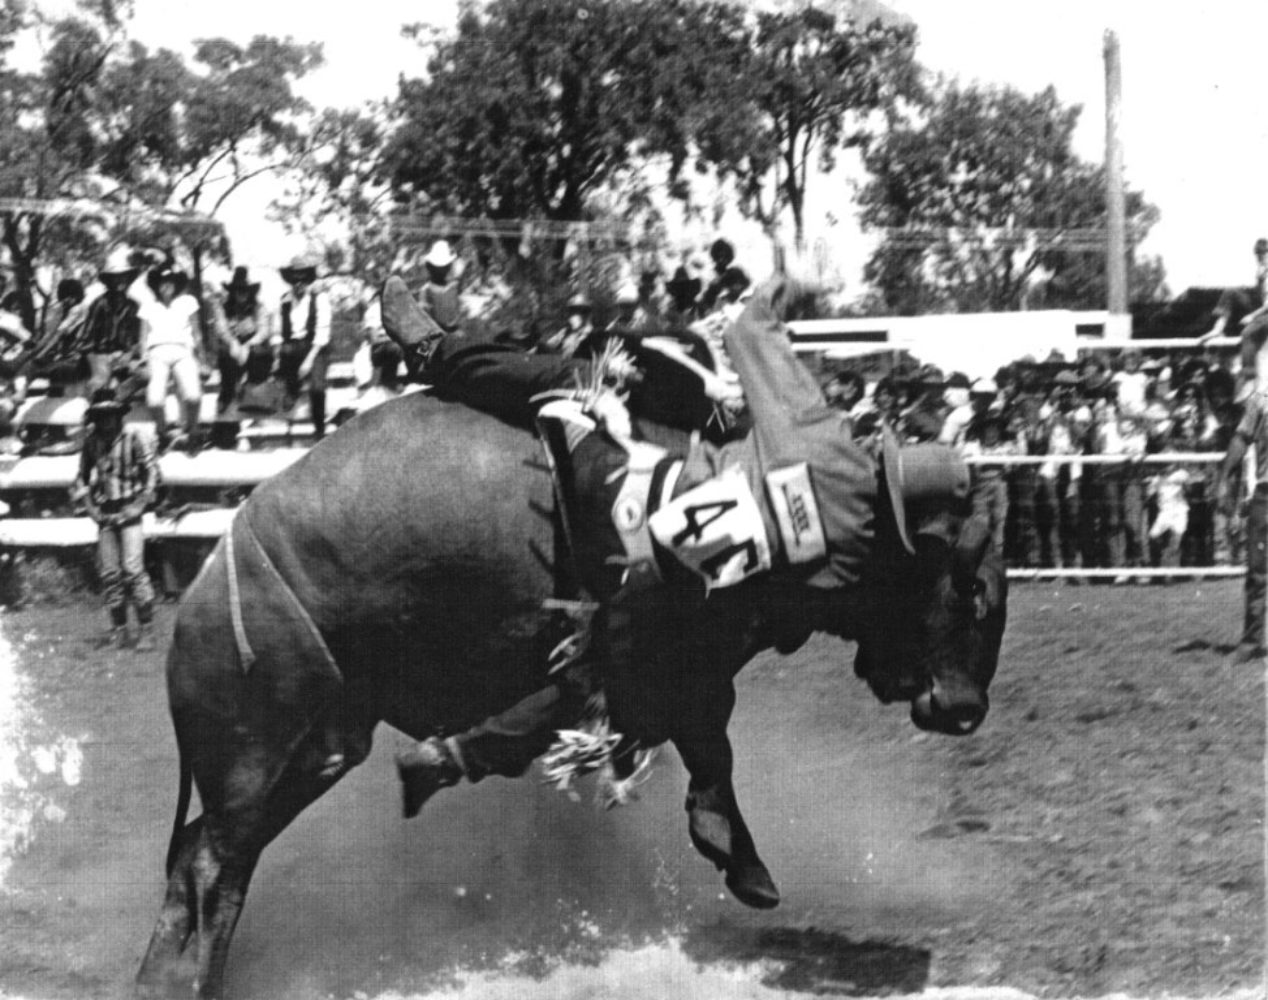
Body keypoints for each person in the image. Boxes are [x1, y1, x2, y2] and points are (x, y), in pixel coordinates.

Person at [390, 274, 971, 861]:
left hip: (627, 502)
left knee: (573, 379)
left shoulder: (823, 444)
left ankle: (435, 354)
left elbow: (751, 329)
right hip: (665, 595)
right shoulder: (850, 568)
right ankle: (457, 760)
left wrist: (781, 290)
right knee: (614, 688)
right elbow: (795, 627)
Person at [72, 388, 159, 650]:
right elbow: (81, 477)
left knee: (133, 570)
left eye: (109, 415)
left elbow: (152, 473)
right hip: (106, 512)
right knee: (110, 573)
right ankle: (119, 630)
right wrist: (90, 507)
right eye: (100, 415)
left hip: (130, 508)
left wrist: (140, 505)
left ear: (118, 415)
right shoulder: (91, 442)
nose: (105, 421)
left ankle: (146, 630)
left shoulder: (135, 437)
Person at [1218, 388, 1268, 663]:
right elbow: (1241, 438)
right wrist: (1224, 478)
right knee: (1257, 572)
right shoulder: (1261, 398)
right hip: (1265, 494)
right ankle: (1251, 642)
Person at [138, 262, 203, 451]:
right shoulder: (148, 306)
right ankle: (163, 432)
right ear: (156, 285)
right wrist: (143, 360)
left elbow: (197, 334)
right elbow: (142, 338)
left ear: (176, 284)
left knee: (193, 396)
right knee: (155, 400)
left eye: (170, 282)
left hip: (182, 351)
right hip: (157, 353)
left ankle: (192, 430)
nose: (166, 286)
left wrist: (202, 358)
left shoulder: (187, 301)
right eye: (162, 282)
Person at [275, 255, 333, 440]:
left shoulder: (319, 298)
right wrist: (278, 356)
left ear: (308, 279)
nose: (298, 284)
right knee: (284, 352)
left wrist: (308, 362)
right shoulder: (284, 301)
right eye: (295, 279)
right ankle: (292, 388)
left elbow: (322, 334)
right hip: (292, 347)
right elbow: (278, 333)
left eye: (302, 279)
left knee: (317, 388)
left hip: (315, 347)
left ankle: (319, 428)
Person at [79, 248, 143, 396]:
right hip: (100, 354)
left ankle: (118, 399)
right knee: (99, 383)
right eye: (116, 278)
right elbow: (87, 338)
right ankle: (93, 413)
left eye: (124, 277)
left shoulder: (134, 306)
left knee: (143, 375)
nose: (120, 282)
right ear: (109, 281)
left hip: (124, 355)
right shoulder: (99, 303)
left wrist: (128, 354)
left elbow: (139, 339)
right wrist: (101, 359)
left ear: (128, 279)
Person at [210, 267, 272, 415]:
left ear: (250, 292)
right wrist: (233, 343)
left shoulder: (258, 307)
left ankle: (251, 392)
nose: (241, 294)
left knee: (261, 356)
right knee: (225, 357)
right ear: (232, 292)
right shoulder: (223, 308)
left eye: (244, 290)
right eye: (238, 290)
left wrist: (248, 346)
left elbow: (264, 330)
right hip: (232, 345)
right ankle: (227, 394)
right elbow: (221, 329)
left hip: (253, 345)